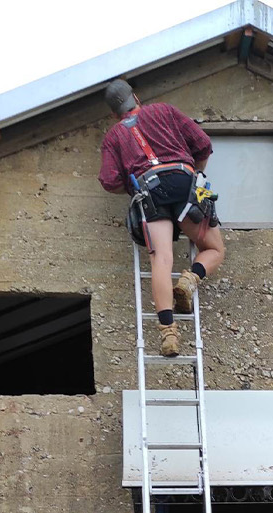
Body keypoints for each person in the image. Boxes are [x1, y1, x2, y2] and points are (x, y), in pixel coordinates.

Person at [98, 79, 226, 358]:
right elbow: (202, 144)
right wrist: (196, 175)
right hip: (182, 182)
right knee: (215, 248)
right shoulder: (164, 111)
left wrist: (132, 188)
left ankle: (168, 334)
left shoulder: (113, 136)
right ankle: (191, 279)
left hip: (149, 192)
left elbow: (109, 181)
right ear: (136, 96)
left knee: (161, 259)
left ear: (113, 113)